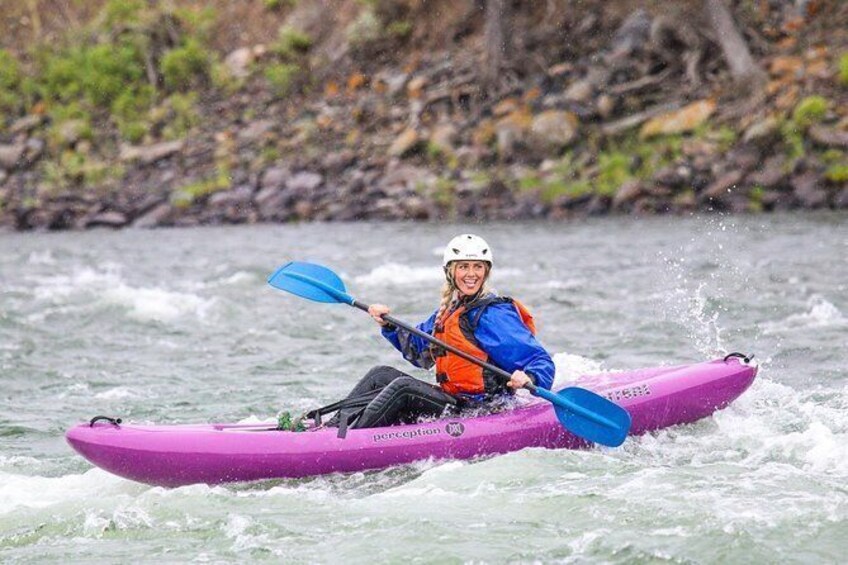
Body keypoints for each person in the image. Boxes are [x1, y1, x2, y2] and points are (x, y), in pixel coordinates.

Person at [305, 234, 555, 436]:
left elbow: (539, 360)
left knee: (403, 388)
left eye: (478, 267)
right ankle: (330, 430)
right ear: (450, 272)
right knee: (381, 375)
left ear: (486, 272)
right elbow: (417, 349)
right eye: (464, 267)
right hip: (455, 399)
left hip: (481, 408)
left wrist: (530, 376)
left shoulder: (492, 314)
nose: (471, 274)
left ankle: (346, 442)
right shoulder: (450, 311)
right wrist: (387, 325)